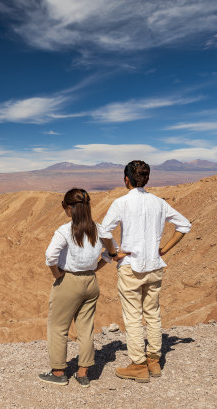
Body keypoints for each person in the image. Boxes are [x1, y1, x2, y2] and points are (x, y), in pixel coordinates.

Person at [102, 160, 191, 382]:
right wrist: (162, 251)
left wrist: (114, 253)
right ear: (147, 179)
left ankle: (138, 365)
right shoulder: (159, 203)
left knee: (132, 317)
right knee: (152, 313)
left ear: (126, 180)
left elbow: (104, 232)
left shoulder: (121, 203)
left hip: (131, 266)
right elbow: (184, 225)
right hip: (154, 266)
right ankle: (154, 360)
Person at [39, 188, 117, 388]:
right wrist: (96, 268)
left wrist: (57, 275)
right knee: (86, 328)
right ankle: (83, 374)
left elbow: (50, 256)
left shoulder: (65, 230)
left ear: (69, 208)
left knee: (58, 327)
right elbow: (112, 252)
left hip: (69, 282)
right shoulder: (99, 229)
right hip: (91, 282)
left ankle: (58, 372)